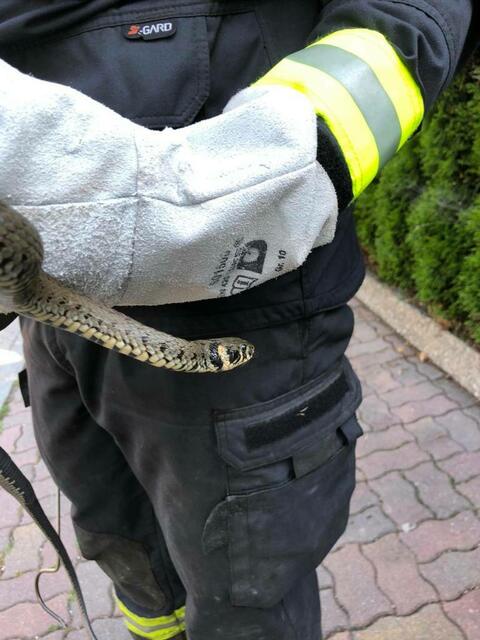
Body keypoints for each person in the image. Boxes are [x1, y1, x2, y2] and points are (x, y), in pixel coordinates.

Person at [0, 2, 477, 639]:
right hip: (53, 317)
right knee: (124, 550)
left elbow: (409, 21)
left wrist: (260, 178)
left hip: (241, 307)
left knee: (244, 598)